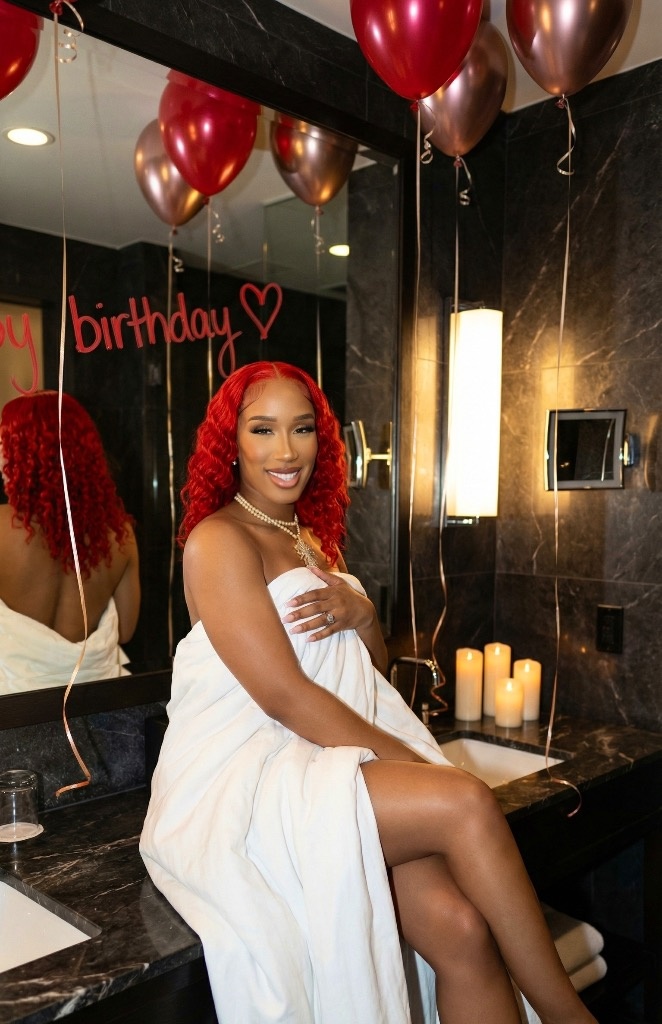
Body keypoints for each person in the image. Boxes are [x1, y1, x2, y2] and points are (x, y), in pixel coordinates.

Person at [140, 361, 597, 1024]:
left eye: (301, 429)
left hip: (331, 756)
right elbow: (284, 696)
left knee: (464, 933)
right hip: (256, 775)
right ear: (229, 443)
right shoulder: (219, 540)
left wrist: (365, 618)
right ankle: (568, 1015)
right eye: (262, 429)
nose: (285, 450)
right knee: (467, 801)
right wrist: (404, 758)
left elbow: (365, 672)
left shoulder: (310, 540)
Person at [0, 390, 140, 691]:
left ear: (21, 454)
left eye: (3, 444)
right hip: (94, 703)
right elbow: (126, 630)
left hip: (14, 710)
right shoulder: (119, 534)